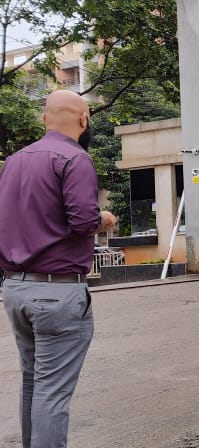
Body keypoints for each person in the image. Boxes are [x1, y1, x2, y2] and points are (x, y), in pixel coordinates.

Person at [0, 90, 118, 447]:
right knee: (51, 391)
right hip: (57, 291)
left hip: (15, 288)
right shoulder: (74, 158)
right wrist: (105, 219)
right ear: (84, 119)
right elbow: (83, 222)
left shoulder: (13, 162)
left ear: (44, 119)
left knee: (33, 381)